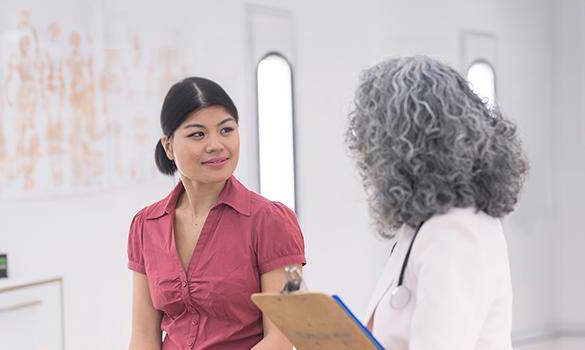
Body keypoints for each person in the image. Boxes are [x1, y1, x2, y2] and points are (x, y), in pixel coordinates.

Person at [345, 56, 528, 349]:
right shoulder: (423, 227)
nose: (365, 153)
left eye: (372, 139)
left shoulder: (456, 231)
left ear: (399, 148)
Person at [127, 77, 305, 350]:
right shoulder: (145, 225)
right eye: (198, 134)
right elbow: (143, 336)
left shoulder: (270, 221)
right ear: (169, 146)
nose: (216, 145)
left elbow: (281, 337)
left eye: (226, 130)